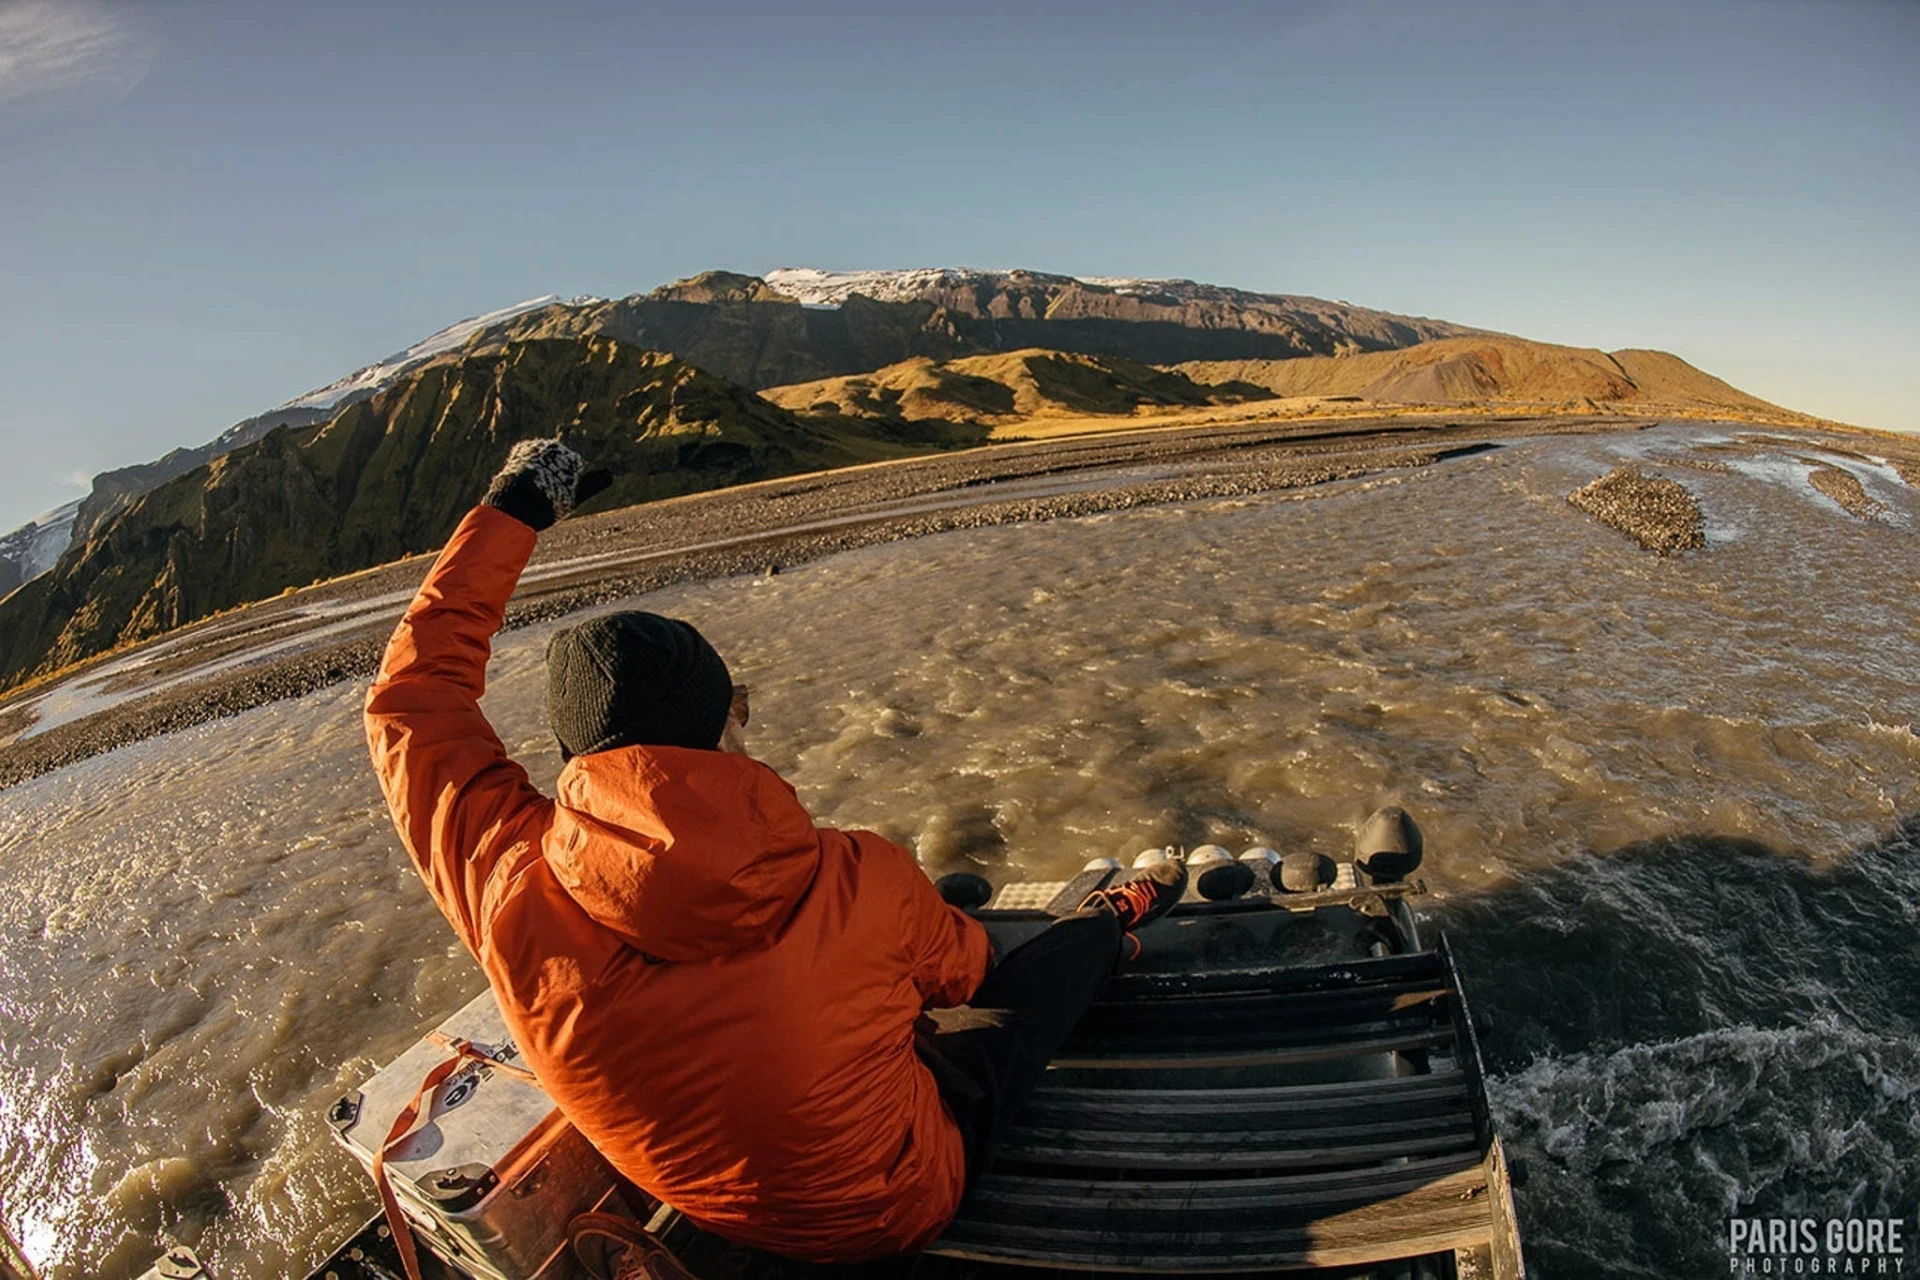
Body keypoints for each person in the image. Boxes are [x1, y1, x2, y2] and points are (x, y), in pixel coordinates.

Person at [363, 439, 1188, 1268]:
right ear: (724, 725)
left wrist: (513, 511)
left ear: (579, 754)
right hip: (897, 1208)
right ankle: (1109, 925)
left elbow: (410, 702)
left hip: (722, 1216)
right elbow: (968, 974)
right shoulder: (860, 873)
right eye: (740, 707)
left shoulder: (501, 881)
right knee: (1025, 989)